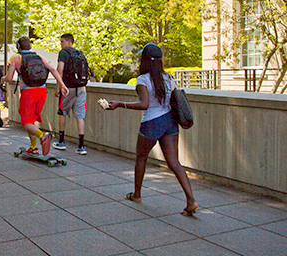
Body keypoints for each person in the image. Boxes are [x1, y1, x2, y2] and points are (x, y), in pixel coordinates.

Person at [105, 43, 198, 216]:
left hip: (151, 123)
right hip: (170, 122)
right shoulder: (169, 78)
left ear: (145, 61)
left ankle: (137, 195)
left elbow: (144, 104)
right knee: (174, 162)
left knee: (141, 158)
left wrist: (119, 104)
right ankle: (191, 200)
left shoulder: (143, 80)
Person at [2, 36, 69, 156]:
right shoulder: (39, 57)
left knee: (26, 122)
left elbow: (10, 77)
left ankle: (42, 136)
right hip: (42, 92)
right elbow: (53, 70)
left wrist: (3, 79)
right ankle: (33, 147)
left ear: (18, 47)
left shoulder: (16, 57)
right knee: (31, 120)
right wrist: (63, 86)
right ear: (30, 46)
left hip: (29, 92)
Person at [53, 33, 89, 155]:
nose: (61, 44)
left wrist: (59, 88)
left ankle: (61, 142)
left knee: (62, 112)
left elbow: (60, 70)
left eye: (62, 41)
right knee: (80, 115)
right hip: (81, 88)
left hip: (68, 88)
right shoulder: (80, 53)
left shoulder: (63, 53)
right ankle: (81, 145)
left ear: (69, 42)